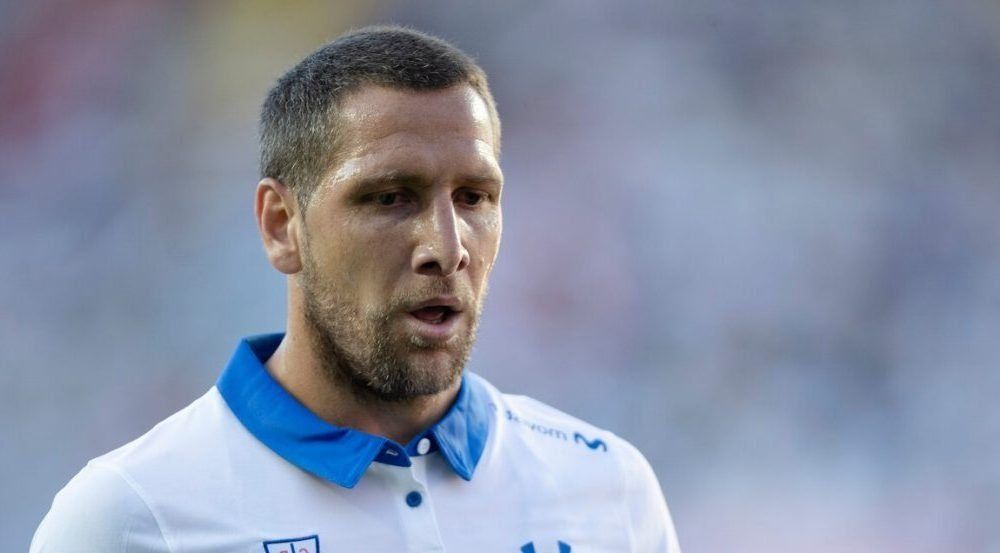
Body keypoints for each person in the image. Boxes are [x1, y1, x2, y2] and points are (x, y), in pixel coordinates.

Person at [31, 26, 681, 552]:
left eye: (474, 197)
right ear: (281, 225)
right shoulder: (129, 517)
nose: (448, 247)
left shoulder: (608, 490)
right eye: (391, 197)